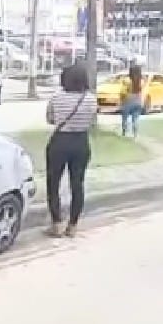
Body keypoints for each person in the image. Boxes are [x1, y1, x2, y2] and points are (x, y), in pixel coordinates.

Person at [44, 64, 98, 238]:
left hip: (60, 141)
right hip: (81, 142)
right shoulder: (90, 99)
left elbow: (50, 119)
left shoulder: (56, 97)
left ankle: (56, 223)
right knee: (77, 184)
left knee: (53, 183)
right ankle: (73, 225)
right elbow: (92, 121)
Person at [120, 63, 144, 138]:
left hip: (128, 101)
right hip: (138, 101)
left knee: (125, 118)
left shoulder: (127, 81)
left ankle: (124, 133)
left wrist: (121, 100)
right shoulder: (142, 81)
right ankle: (135, 135)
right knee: (135, 118)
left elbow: (122, 92)